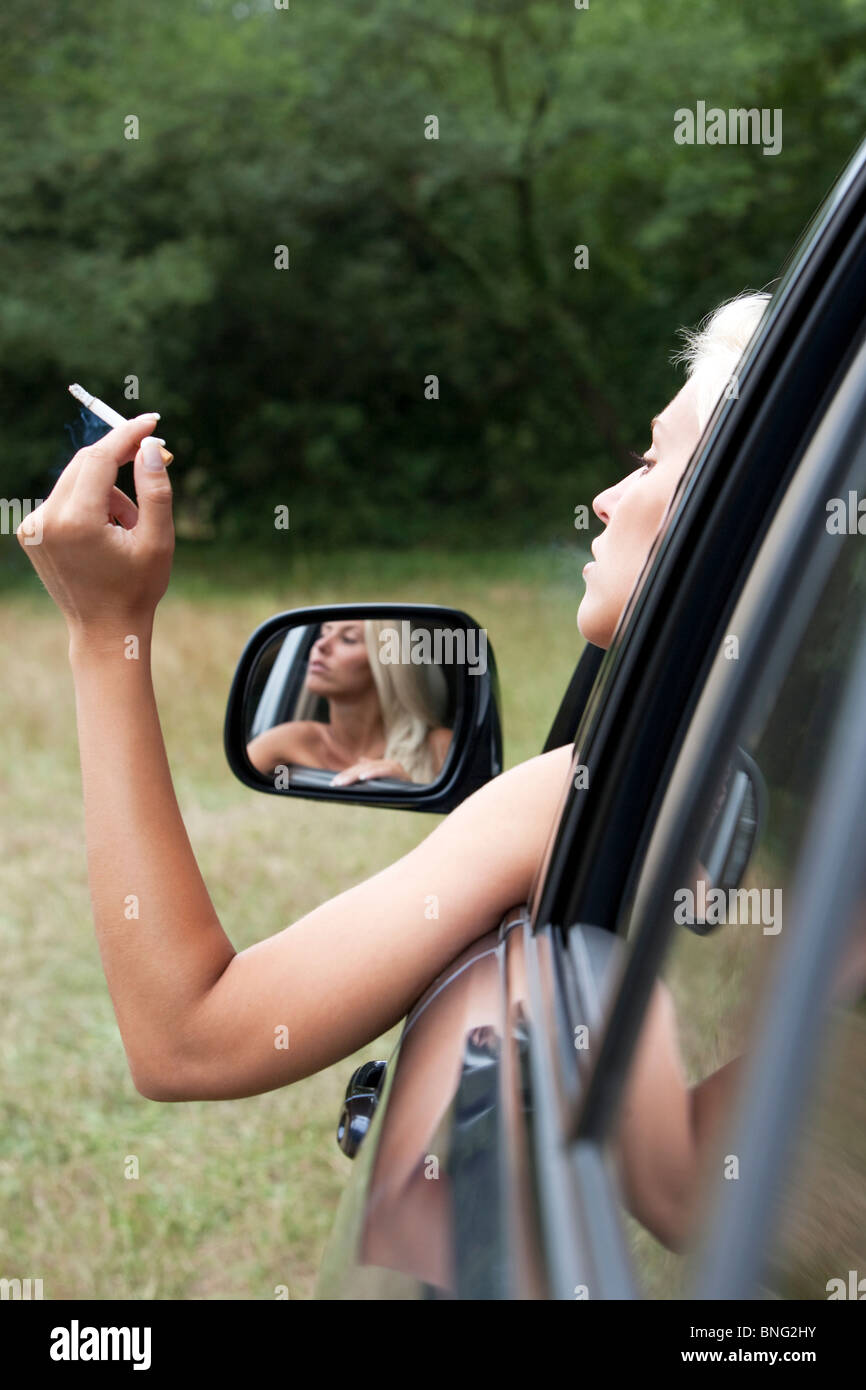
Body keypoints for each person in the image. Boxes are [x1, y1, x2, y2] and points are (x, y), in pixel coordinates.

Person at [17, 290, 770, 1250]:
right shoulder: (805, 789)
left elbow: (187, 1036)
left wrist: (105, 629)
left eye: (656, 460)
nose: (607, 497)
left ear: (734, 520)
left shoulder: (592, 789)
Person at [245, 617, 453, 785]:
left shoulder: (439, 748)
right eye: (324, 632)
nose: (321, 644)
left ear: (387, 668)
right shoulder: (287, 741)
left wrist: (405, 789)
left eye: (348, 639)